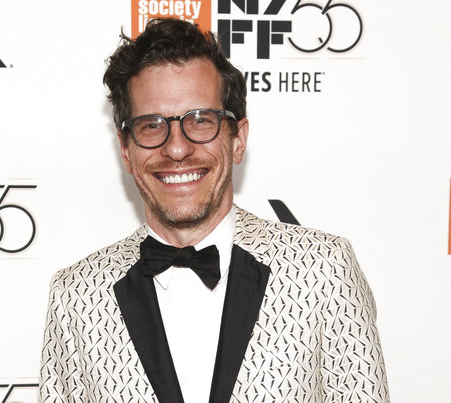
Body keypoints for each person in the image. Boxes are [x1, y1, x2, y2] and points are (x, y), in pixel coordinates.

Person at [39, 18, 389, 403]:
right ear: (126, 150)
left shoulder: (322, 271)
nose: (176, 148)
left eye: (200, 121)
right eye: (152, 126)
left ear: (238, 139)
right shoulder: (77, 295)